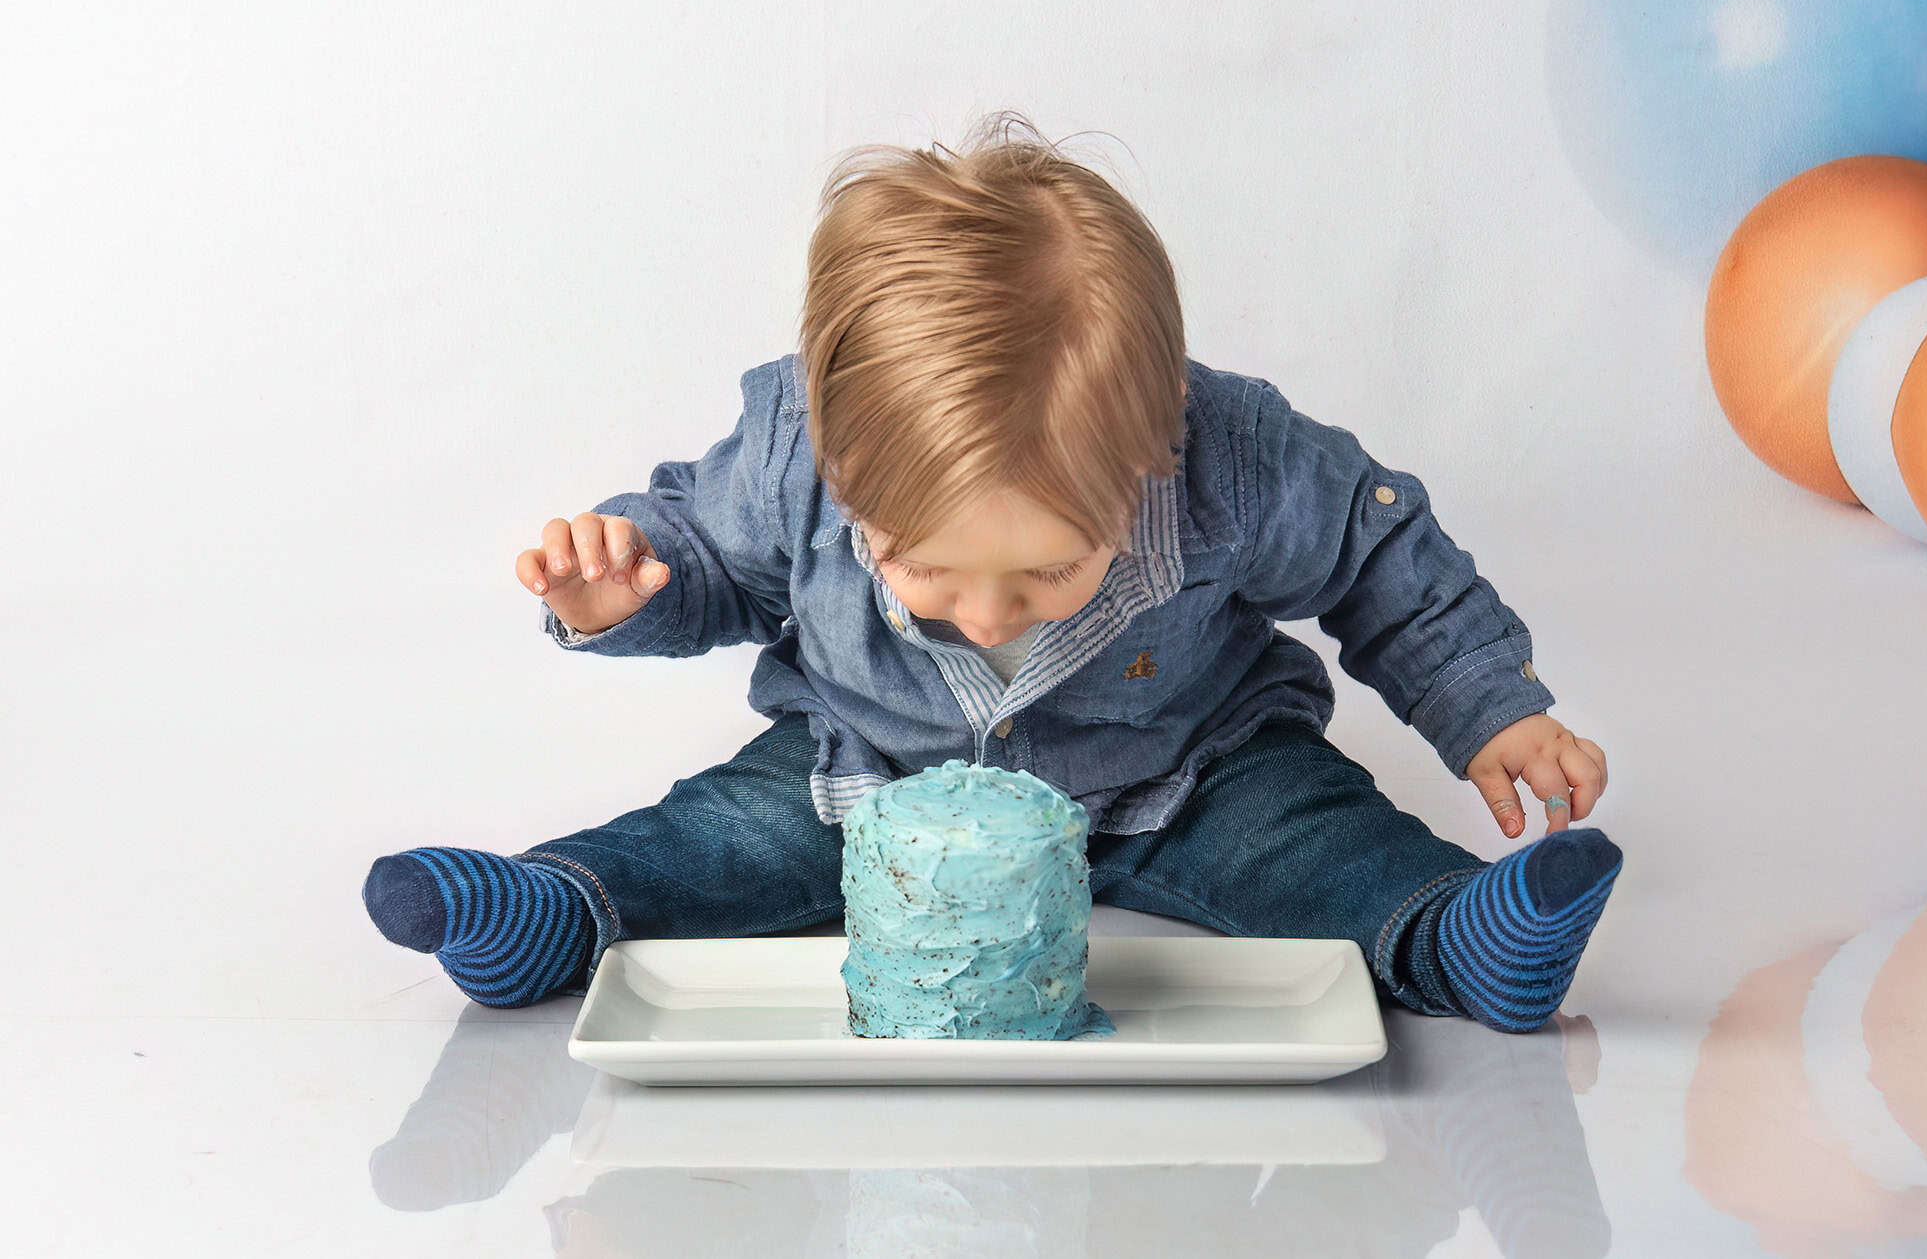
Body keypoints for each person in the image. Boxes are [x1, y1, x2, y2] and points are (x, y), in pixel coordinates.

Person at [362, 112, 1621, 1034]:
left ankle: (1461, 938)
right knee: (713, 840)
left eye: (1044, 571)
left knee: (1317, 846)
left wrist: (1486, 707)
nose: (981, 612)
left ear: (1145, 453)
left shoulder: (1225, 458)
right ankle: (546, 910)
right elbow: (709, 559)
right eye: (922, 568)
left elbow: (1374, 548)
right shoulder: (795, 453)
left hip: (1185, 769)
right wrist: (624, 592)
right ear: (844, 466)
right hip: (867, 771)